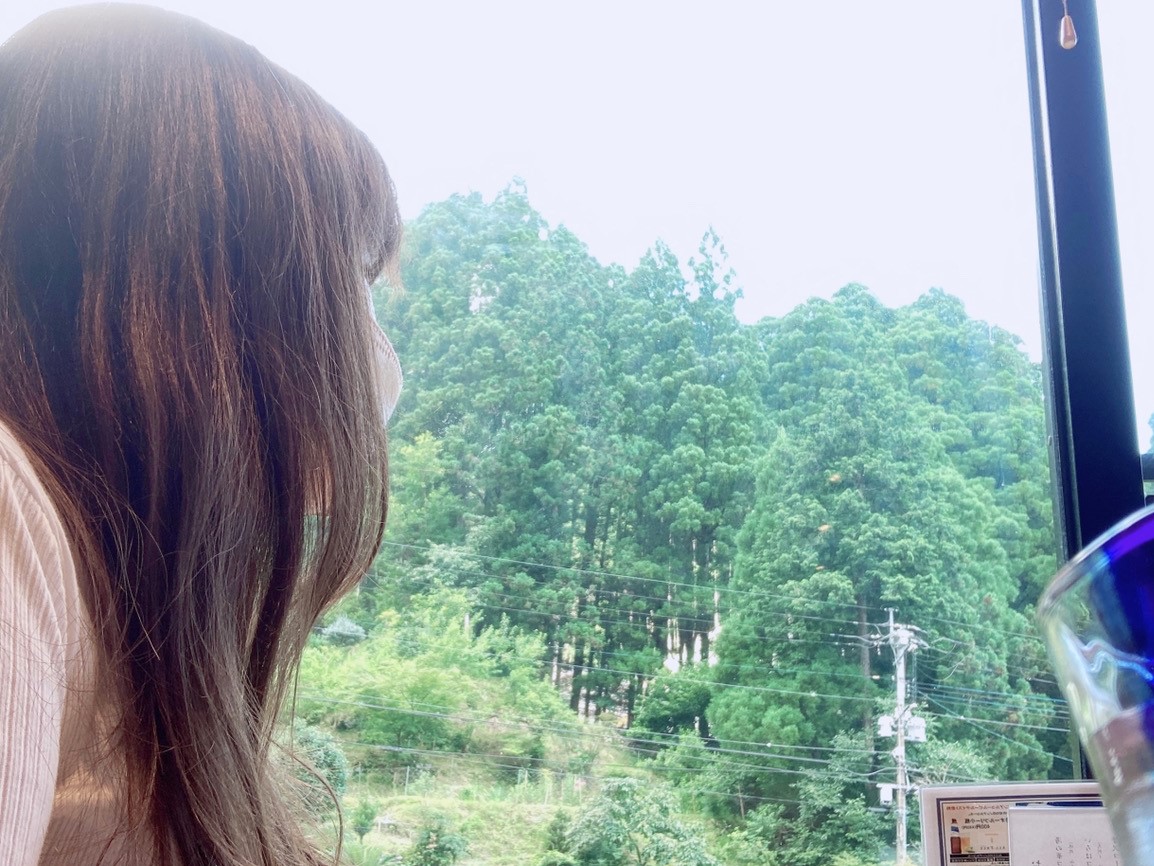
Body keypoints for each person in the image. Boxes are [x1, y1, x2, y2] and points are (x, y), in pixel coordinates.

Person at [0, 5, 403, 864]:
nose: (371, 350)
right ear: (209, 296)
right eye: (351, 280)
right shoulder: (9, 506)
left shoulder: (114, 587)